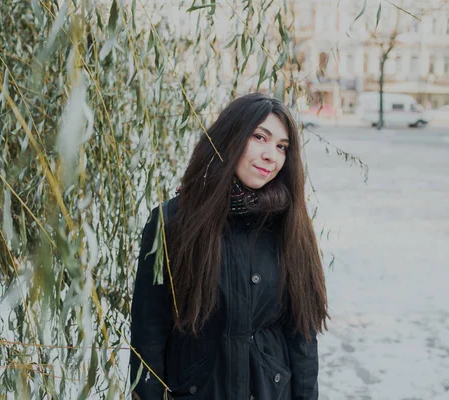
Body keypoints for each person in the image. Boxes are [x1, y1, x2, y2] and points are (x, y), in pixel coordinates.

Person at [130, 93, 329, 400]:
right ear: (230, 136)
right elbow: (148, 332)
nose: (271, 156)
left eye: (281, 147)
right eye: (260, 137)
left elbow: (302, 333)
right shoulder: (173, 221)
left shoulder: (288, 223)